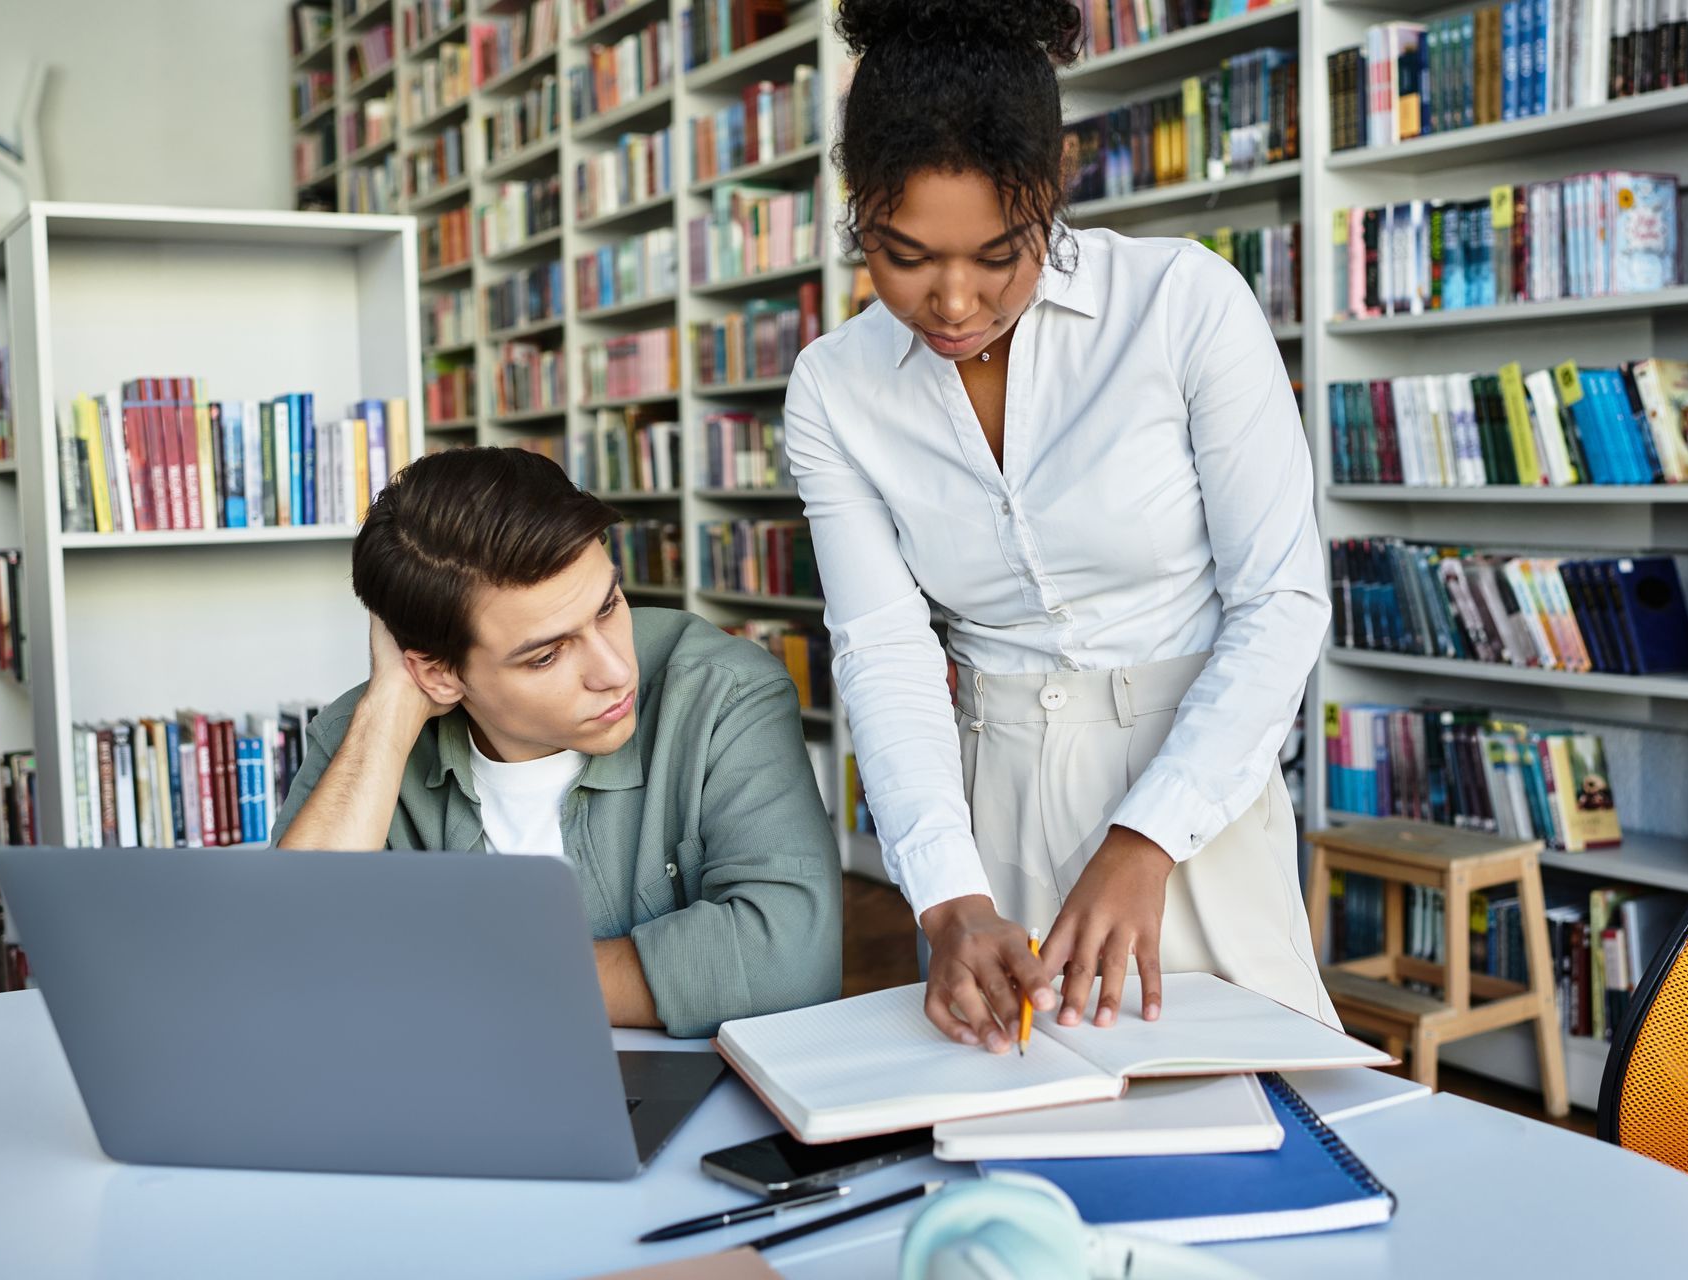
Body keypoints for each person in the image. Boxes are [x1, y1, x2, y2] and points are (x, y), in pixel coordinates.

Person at [784, 0, 1338, 1055]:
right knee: (1010, 1140)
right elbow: (887, 654)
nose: (953, 300)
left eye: (1001, 252)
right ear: (856, 210)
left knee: (1256, 1117)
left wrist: (1146, 838)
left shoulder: (1184, 306)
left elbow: (1279, 600)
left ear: (1056, 187)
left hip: (1196, 793)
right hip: (988, 810)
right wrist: (948, 898)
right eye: (903, 255)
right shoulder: (833, 389)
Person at [272, 447, 842, 1038]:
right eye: (546, 655)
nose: (615, 670)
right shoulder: (360, 738)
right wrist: (389, 712)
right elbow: (286, 969)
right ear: (438, 674)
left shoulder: (720, 690)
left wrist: (466, 976)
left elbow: (790, 961)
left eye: (608, 606)